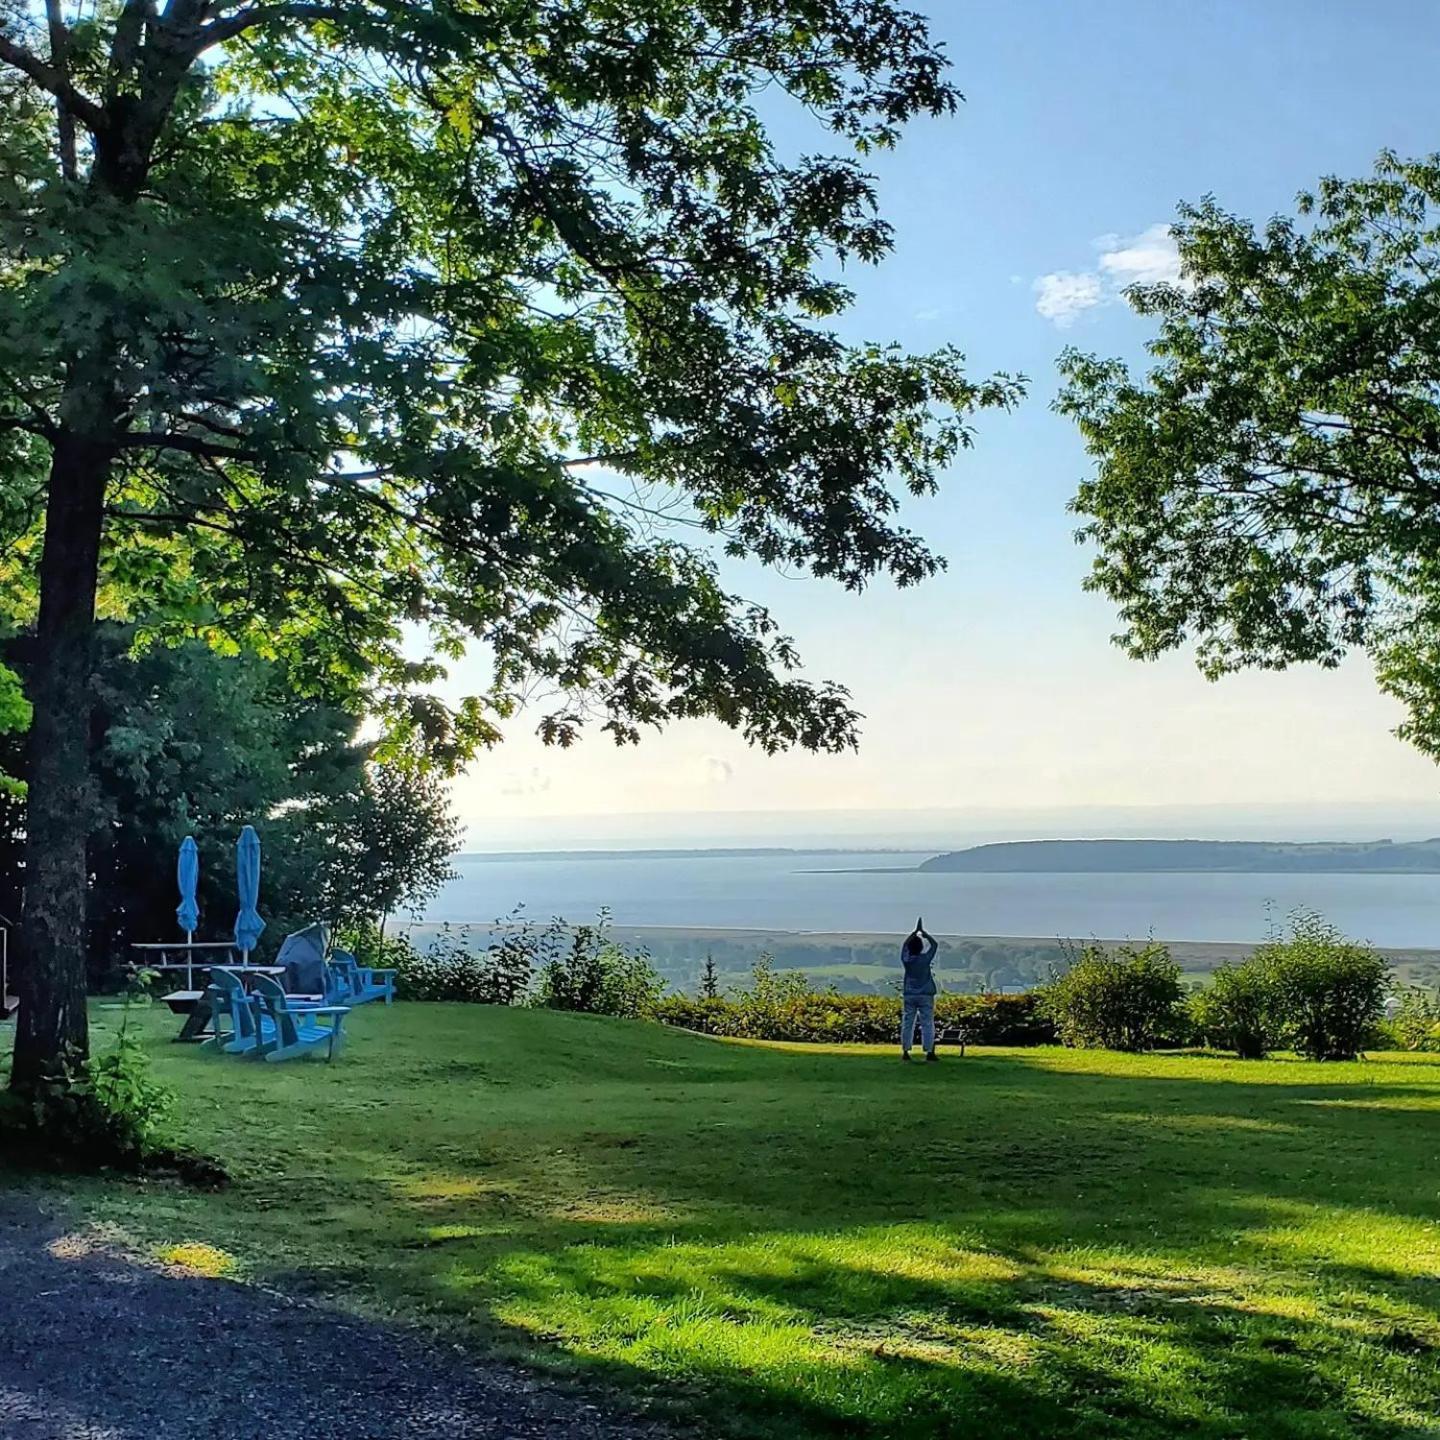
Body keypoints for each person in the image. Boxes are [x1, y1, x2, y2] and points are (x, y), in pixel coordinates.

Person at [899, 916, 939, 1062]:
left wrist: (914, 933)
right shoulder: (925, 959)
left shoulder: (907, 960)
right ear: (921, 947)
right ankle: (929, 1051)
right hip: (926, 994)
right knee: (927, 1023)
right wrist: (924, 933)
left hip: (909, 994)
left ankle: (905, 1051)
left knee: (908, 1022)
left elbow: (904, 946)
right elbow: (934, 945)